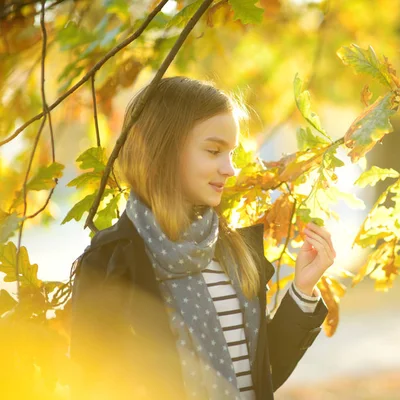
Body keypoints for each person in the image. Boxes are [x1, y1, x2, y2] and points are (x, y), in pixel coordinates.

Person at [68, 76, 336, 400]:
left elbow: (260, 374)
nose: (230, 169)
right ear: (162, 150)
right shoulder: (111, 261)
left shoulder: (232, 250)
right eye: (213, 151)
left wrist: (303, 288)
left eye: (231, 153)